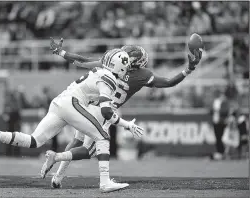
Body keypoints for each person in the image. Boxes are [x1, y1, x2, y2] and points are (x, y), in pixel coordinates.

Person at [0, 49, 144, 193]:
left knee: (34, 141)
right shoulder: (111, 79)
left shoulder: (99, 71)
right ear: (122, 67)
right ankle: (105, 182)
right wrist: (127, 124)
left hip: (59, 102)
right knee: (103, 137)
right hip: (72, 104)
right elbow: (106, 111)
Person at [46, 38, 202, 188]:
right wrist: (188, 69)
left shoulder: (113, 63)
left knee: (76, 141)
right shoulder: (143, 75)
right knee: (89, 150)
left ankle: (57, 178)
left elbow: (82, 61)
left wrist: (61, 52)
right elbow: (169, 82)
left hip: (89, 105)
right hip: (104, 112)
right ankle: (58, 158)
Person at [210, 90, 230, 160]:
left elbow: (226, 111)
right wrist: (213, 110)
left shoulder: (224, 101)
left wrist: (218, 111)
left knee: (222, 138)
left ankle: (223, 152)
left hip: (222, 122)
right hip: (215, 121)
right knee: (217, 138)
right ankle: (220, 152)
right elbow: (210, 110)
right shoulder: (215, 101)